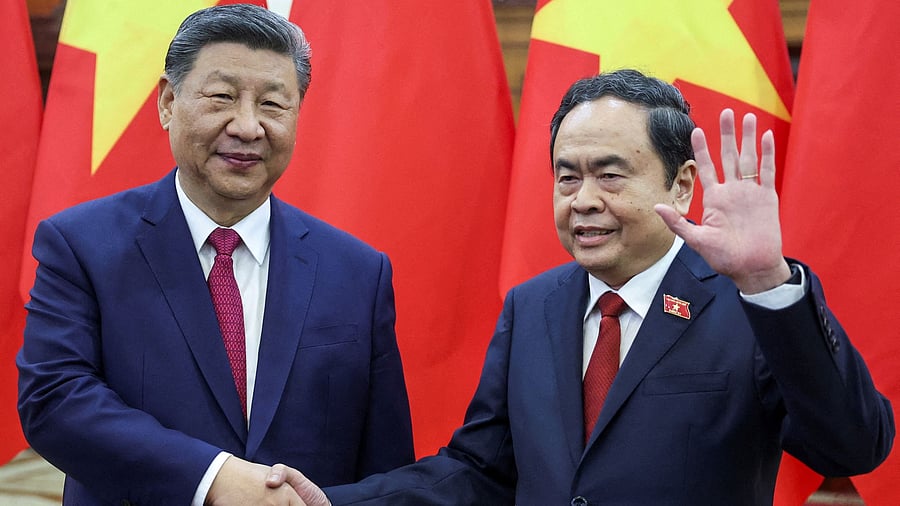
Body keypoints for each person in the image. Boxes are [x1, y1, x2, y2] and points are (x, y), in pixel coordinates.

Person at [268, 69, 895, 505]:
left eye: (610, 175)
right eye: (567, 178)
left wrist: (767, 282)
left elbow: (854, 444)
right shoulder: (533, 306)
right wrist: (330, 503)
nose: (584, 201)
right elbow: (480, 472)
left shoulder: (748, 304)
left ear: (681, 185)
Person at [16, 4, 414, 505]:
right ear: (167, 101)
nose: (248, 127)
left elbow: (386, 466)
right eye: (222, 97)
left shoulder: (358, 272)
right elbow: (54, 401)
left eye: (273, 104)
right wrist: (212, 477)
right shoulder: (81, 246)